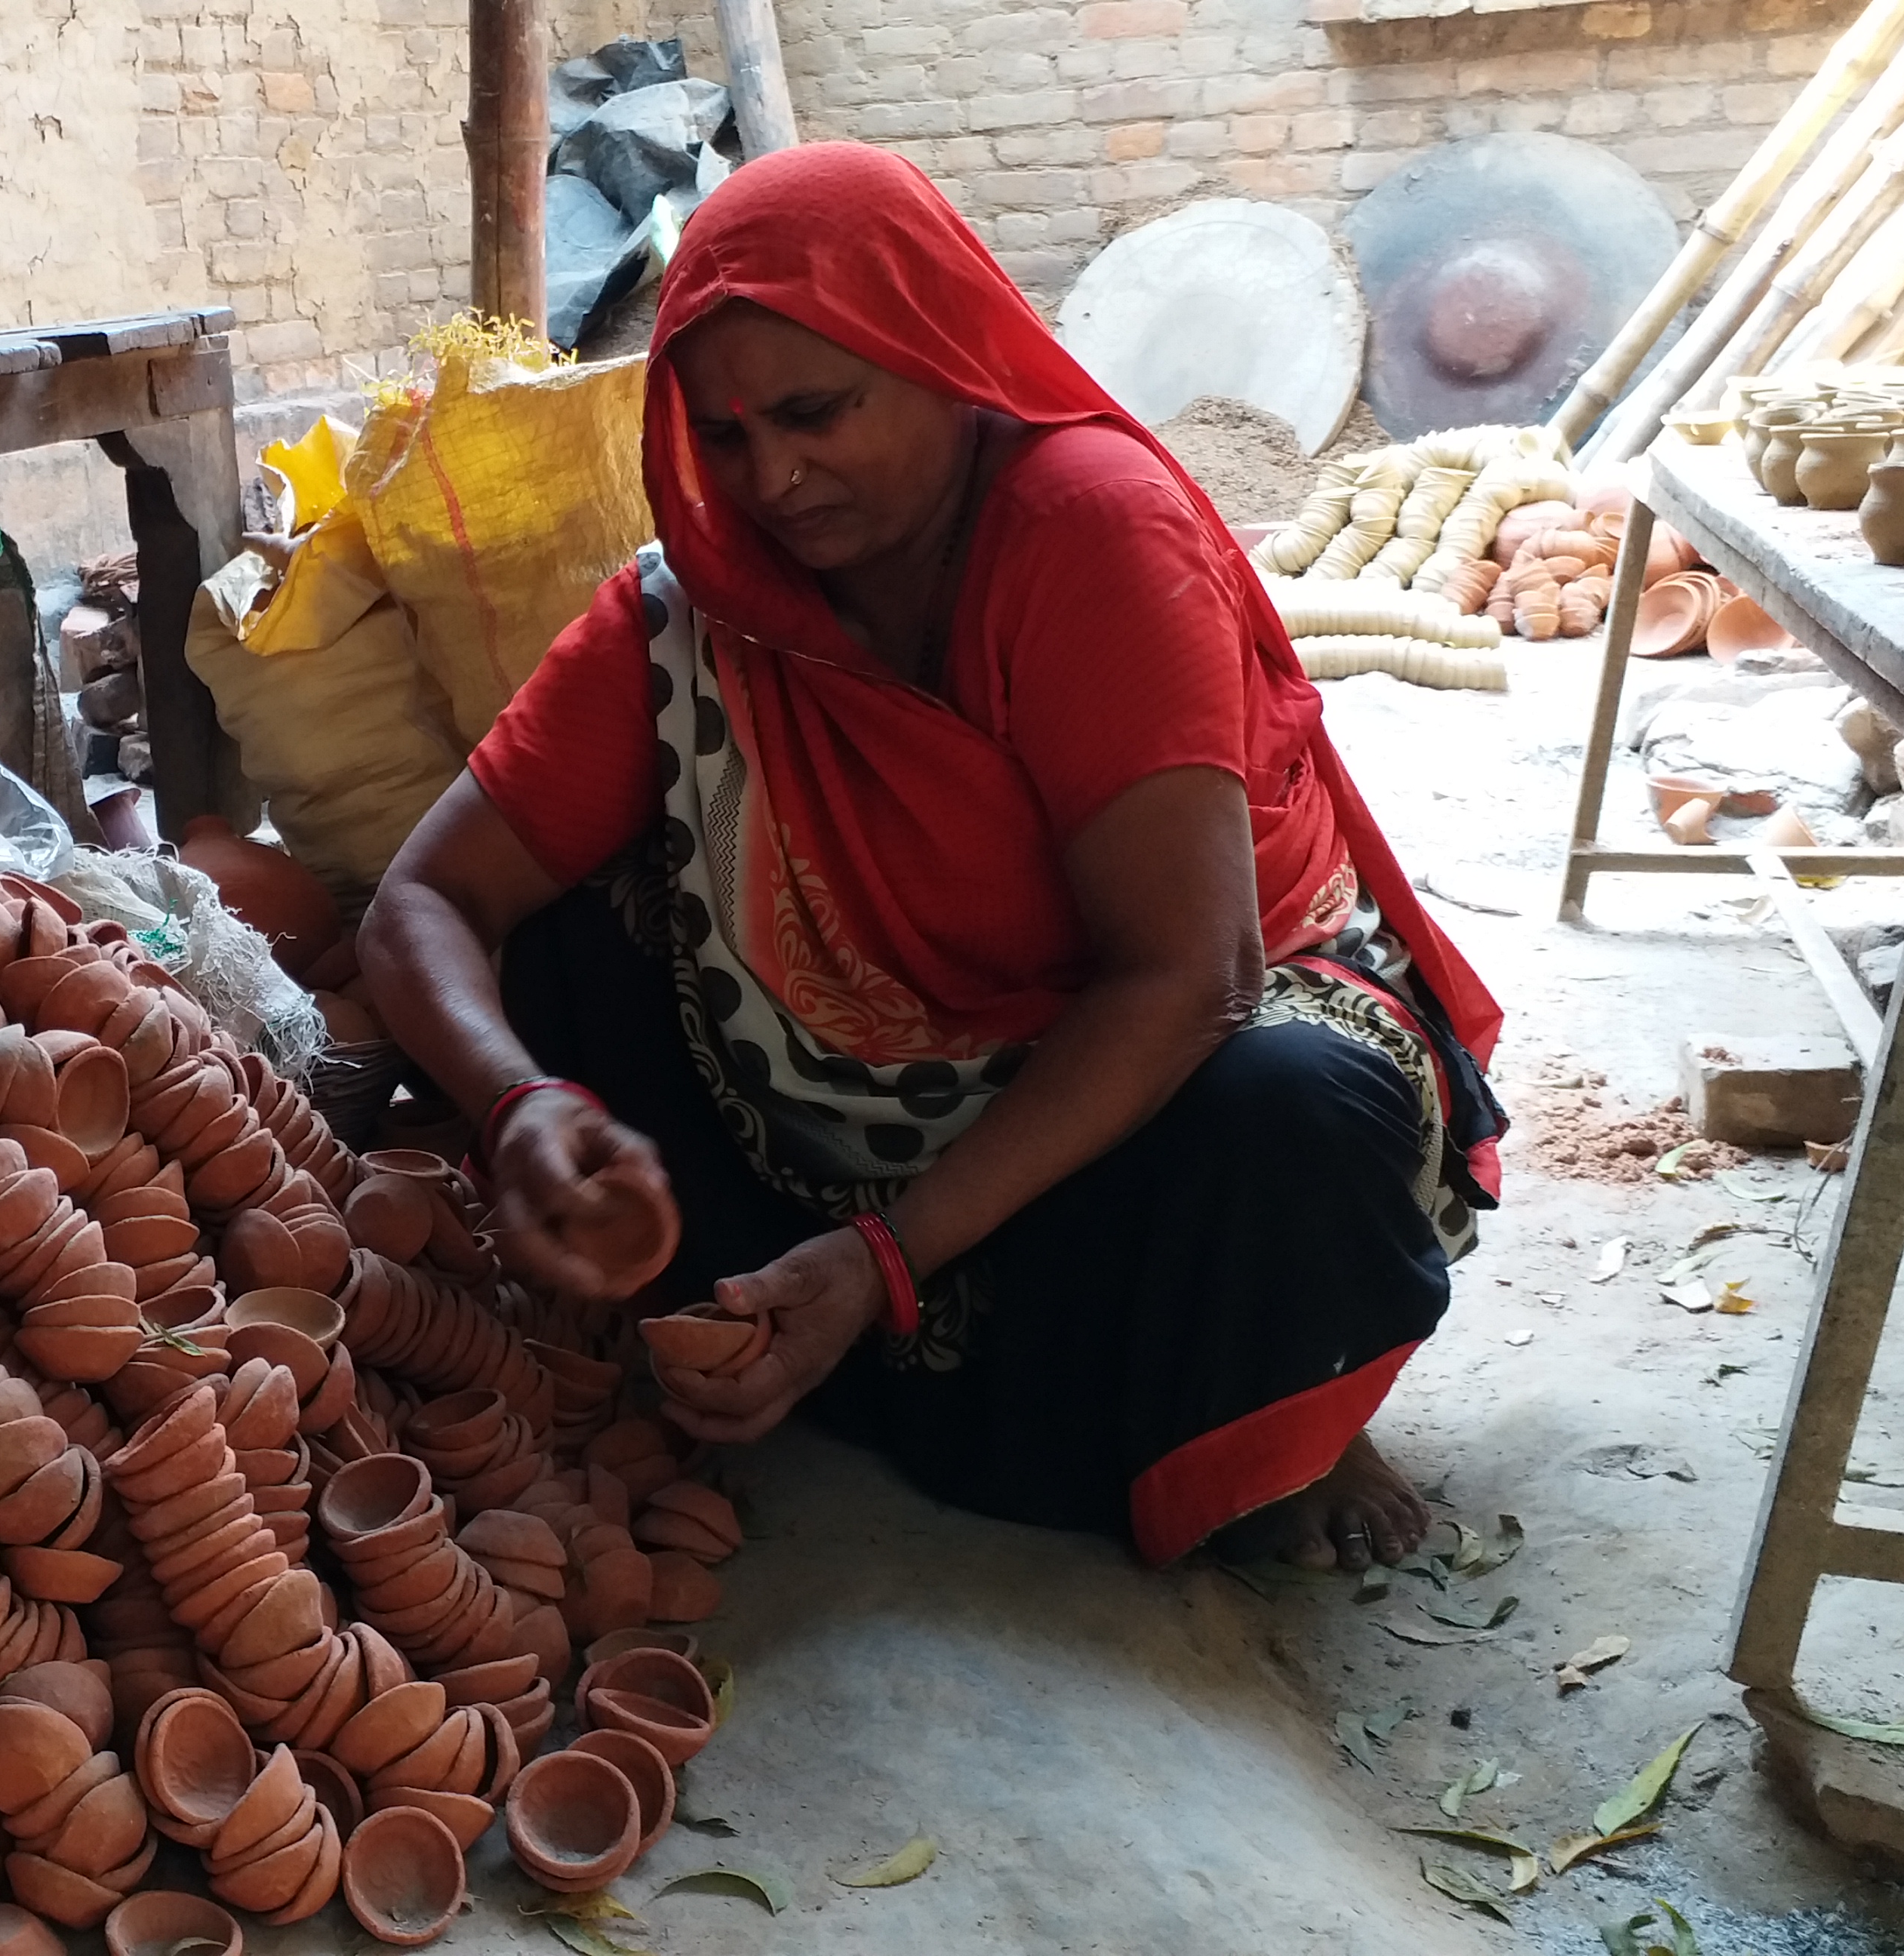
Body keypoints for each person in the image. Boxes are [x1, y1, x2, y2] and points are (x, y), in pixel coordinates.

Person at [358, 143, 1504, 1574]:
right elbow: (427, 901)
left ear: (937, 355)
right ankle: (844, 1333)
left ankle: (1257, 1406)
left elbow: (1183, 978)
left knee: (1292, 1112)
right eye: (720, 438)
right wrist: (516, 1100)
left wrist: (882, 1262)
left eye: (815, 411)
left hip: (1164, 1060)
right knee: (567, 951)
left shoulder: (1085, 528)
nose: (773, 475)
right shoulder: (697, 613)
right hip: (849, 1106)